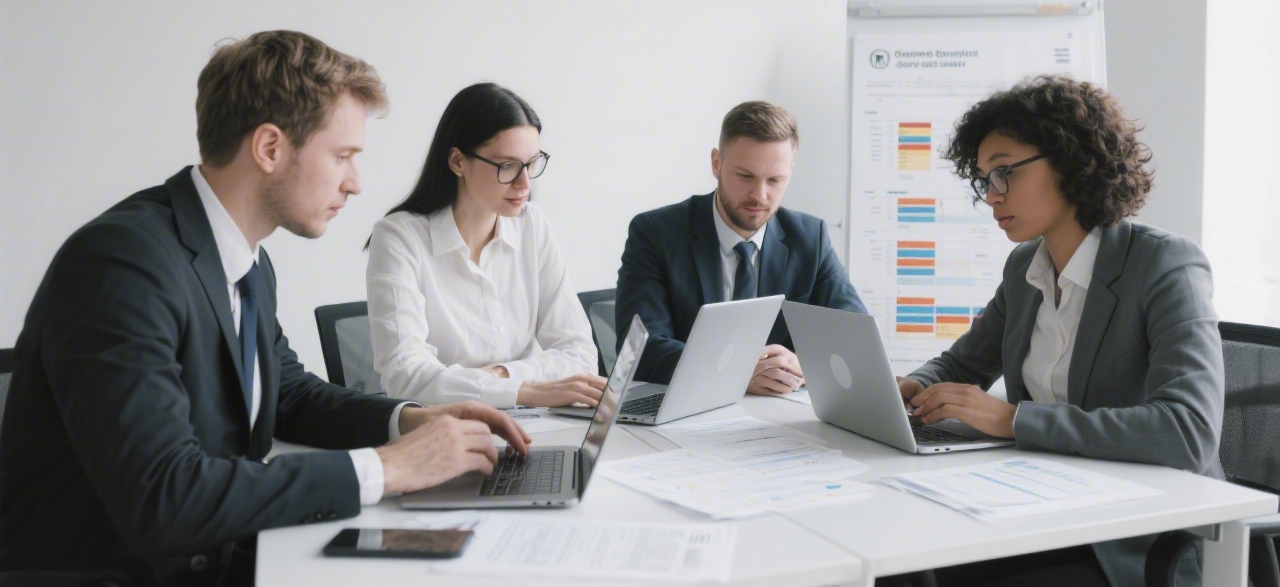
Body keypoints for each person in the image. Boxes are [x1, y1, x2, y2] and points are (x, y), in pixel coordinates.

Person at [0, 31, 530, 585]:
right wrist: (389, 467)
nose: (356, 183)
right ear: (270, 148)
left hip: (227, 554)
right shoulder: (122, 264)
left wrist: (409, 421)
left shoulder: (244, 258)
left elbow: (291, 396)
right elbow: (163, 496)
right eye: (343, 156)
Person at [896, 76, 1223, 587]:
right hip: (1043, 504)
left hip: (1136, 535)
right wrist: (914, 385)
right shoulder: (1025, 267)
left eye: (1004, 172)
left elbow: (1188, 432)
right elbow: (961, 365)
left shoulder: (1164, 265)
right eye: (984, 179)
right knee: (905, 561)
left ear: (1071, 161)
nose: (992, 196)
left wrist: (1015, 419)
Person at [366, 83, 603, 409]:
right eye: (506, 166)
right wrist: (525, 390)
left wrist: (501, 376)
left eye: (532, 163)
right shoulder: (399, 238)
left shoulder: (532, 225)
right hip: (443, 431)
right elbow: (405, 376)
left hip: (532, 426)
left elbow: (580, 356)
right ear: (457, 161)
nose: (525, 183)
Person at [616, 100, 868, 391]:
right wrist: (738, 371)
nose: (759, 195)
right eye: (745, 176)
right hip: (687, 414)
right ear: (716, 163)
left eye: (775, 180)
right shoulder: (656, 233)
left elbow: (858, 345)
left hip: (777, 419)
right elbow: (639, 351)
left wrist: (805, 365)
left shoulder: (810, 238)